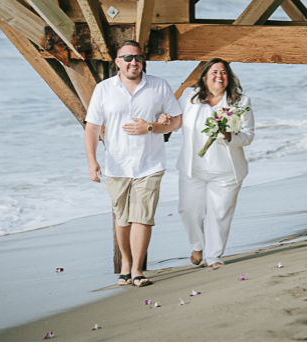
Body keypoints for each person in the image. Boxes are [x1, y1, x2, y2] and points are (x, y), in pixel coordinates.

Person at [84, 41, 182, 288]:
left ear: (143, 61)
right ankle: (125, 264)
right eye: (126, 58)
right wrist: (91, 160)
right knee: (122, 217)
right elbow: (93, 127)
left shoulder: (159, 86)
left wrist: (150, 127)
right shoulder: (104, 89)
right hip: (116, 164)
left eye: (137, 57)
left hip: (150, 163)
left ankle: (137, 269)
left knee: (143, 217)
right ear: (117, 62)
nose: (132, 62)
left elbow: (176, 121)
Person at [173, 58, 254, 269]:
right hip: (193, 168)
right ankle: (197, 245)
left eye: (224, 72)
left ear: (229, 77)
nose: (220, 76)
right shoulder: (189, 97)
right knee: (188, 210)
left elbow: (248, 136)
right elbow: (175, 120)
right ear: (204, 78)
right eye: (214, 72)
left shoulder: (241, 102)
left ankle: (214, 257)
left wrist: (229, 136)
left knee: (219, 214)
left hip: (226, 170)